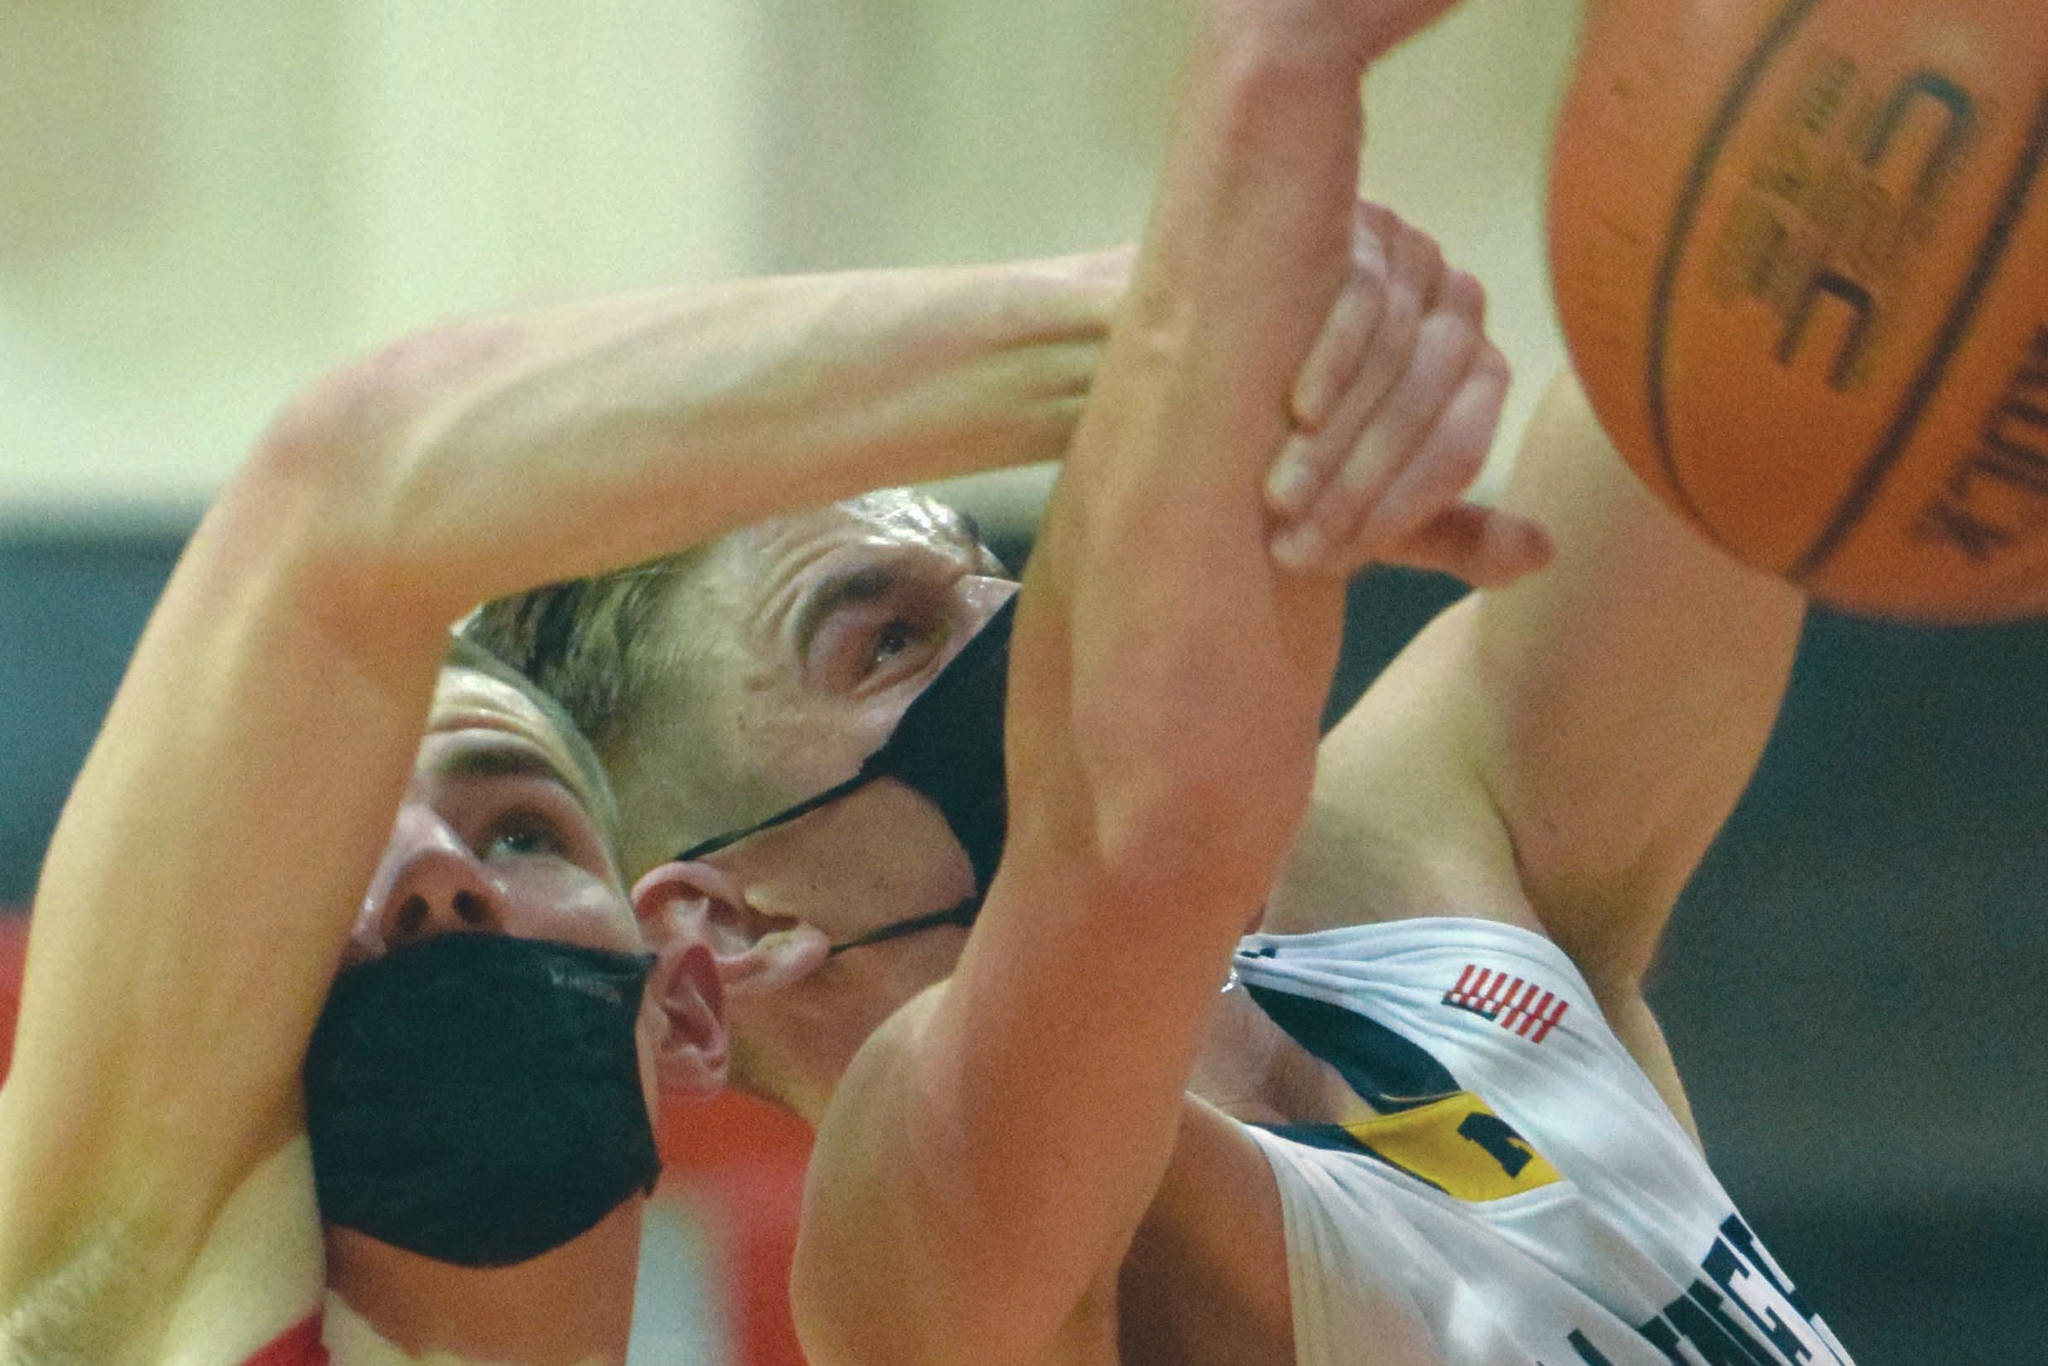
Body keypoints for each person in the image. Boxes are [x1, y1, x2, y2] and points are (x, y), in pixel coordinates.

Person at [468, 0, 1859, 1362]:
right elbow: (1142, 822)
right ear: (727, 916)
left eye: (978, 565)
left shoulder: (1399, 863)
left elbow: (1737, 389)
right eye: (884, 639)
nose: (1010, 619)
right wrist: (1274, 84)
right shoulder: (914, 1242)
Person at [0, 253, 1136, 1363]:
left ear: (682, 1011)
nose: (439, 876)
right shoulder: (115, 1295)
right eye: (338, 858)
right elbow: (348, 478)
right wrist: (1164, 327)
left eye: (522, 831)